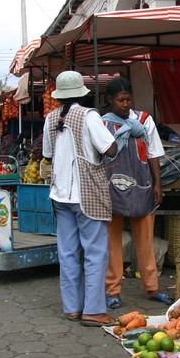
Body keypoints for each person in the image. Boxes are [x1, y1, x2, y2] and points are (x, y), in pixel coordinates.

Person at [42, 71, 118, 327]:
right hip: (86, 194)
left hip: (59, 194)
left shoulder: (51, 118)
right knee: (95, 252)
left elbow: (48, 155)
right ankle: (94, 310)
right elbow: (110, 148)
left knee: (67, 252)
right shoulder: (89, 116)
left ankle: (72, 307)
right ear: (82, 92)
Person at [101, 77, 172, 309]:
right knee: (112, 242)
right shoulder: (102, 124)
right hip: (112, 188)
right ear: (110, 100)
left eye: (128, 99)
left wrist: (157, 184)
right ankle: (112, 290)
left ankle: (152, 288)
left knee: (145, 242)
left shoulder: (144, 120)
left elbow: (153, 153)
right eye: (120, 100)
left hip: (142, 187)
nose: (125, 104)